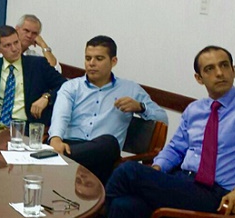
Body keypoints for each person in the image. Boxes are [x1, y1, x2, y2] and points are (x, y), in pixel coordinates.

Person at [101, 46, 235, 218]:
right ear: (199, 78)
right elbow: (175, 148)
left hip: (218, 193)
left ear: (234, 70)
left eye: (224, 66)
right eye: (210, 69)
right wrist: (157, 169)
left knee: (128, 171)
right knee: (122, 206)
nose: (219, 73)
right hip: (184, 183)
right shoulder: (195, 110)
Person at [47, 35, 167, 184]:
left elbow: (162, 118)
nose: (91, 63)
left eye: (99, 59)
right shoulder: (71, 87)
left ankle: (56, 161)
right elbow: (60, 116)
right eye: (88, 58)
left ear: (113, 61)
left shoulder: (130, 89)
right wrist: (56, 139)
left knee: (109, 142)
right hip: (70, 146)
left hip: (104, 154)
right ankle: (62, 161)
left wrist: (141, 107)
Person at [0, 26, 66, 128]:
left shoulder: (38, 64)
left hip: (27, 126)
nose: (14, 49)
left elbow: (65, 85)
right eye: (7, 45)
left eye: (16, 42)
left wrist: (47, 97)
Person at [0, 14, 61, 96]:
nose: (29, 36)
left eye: (34, 33)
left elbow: (55, 71)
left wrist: (43, 45)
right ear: (17, 29)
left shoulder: (33, 57)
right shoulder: (1, 44)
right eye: (26, 31)